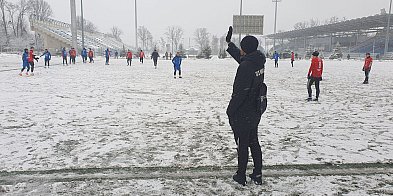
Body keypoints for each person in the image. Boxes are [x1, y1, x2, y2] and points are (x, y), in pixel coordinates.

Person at [225, 26, 266, 186]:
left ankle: (240, 175)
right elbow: (243, 59)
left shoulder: (246, 67)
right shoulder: (258, 61)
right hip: (256, 109)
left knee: (242, 144)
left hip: (244, 112)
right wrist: (230, 44)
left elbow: (239, 94)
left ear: (245, 49)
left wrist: (230, 111)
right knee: (253, 141)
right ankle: (257, 173)